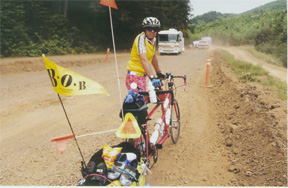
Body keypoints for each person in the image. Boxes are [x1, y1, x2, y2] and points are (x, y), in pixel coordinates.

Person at [126, 17, 165, 92]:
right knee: (140, 102)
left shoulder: (153, 40)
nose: (152, 31)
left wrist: (158, 73)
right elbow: (143, 59)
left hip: (142, 76)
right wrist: (152, 77)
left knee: (148, 98)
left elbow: (153, 56)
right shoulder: (141, 39)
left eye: (155, 29)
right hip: (134, 76)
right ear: (145, 29)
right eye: (149, 29)